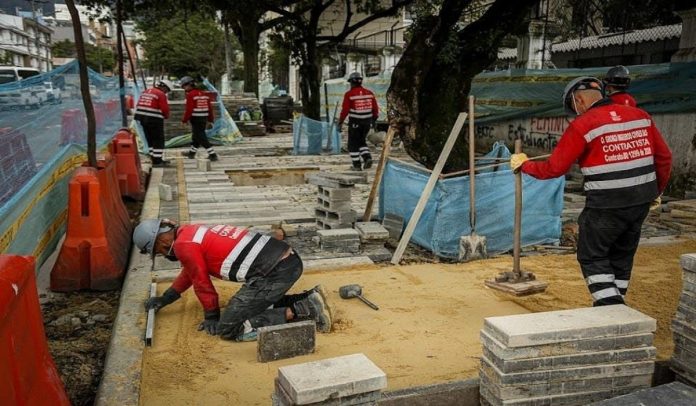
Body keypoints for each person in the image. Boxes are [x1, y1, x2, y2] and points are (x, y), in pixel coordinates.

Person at [510, 76, 672, 307]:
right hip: (640, 202)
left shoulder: (583, 124)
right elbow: (664, 157)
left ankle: (611, 308)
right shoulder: (641, 117)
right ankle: (616, 302)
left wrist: (524, 165)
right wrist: (656, 191)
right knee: (621, 256)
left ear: (578, 100)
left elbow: (554, 168)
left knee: (592, 256)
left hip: (606, 204)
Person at [132, 219, 333, 341]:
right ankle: (309, 298)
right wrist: (166, 299)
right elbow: (190, 273)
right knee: (251, 303)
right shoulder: (189, 233)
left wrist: (212, 316)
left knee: (229, 328)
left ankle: (303, 310)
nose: (161, 253)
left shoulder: (183, 246)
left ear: (160, 240)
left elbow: (202, 283)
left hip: (273, 273)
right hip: (286, 263)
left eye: (157, 251)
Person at [337, 72, 379, 171]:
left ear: (352, 82)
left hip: (355, 123)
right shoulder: (369, 93)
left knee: (352, 144)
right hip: (367, 123)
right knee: (361, 141)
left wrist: (340, 122)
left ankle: (356, 165)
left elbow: (345, 110)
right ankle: (367, 157)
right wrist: (373, 121)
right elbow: (375, 109)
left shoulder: (349, 94)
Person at [134, 80, 173, 167]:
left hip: (141, 117)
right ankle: (157, 161)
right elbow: (165, 109)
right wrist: (166, 116)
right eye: (167, 90)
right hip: (153, 119)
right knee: (158, 139)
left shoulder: (146, 91)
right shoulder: (160, 94)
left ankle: (153, 158)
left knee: (150, 139)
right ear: (164, 87)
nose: (166, 92)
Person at [180, 76, 218, 161]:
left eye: (184, 86)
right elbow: (210, 108)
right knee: (196, 136)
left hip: (195, 119)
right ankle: (191, 153)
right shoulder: (203, 94)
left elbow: (189, 109)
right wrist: (210, 119)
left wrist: (184, 120)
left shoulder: (190, 95)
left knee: (200, 136)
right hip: (203, 118)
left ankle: (212, 154)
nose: (184, 89)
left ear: (189, 85)